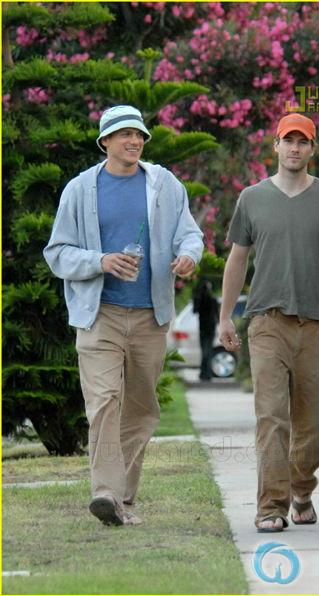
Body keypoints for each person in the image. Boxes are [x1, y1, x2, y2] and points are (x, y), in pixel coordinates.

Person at [44, 105, 203, 526]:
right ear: (106, 142)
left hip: (150, 317)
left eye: (140, 135)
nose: (135, 141)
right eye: (125, 134)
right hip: (100, 316)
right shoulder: (80, 190)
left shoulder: (164, 184)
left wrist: (189, 255)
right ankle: (106, 492)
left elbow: (189, 233)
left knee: (140, 409)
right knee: (103, 402)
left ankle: (123, 499)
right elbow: (57, 253)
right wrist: (101, 261)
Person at [219, 113, 319, 533]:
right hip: (267, 323)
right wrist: (225, 316)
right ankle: (271, 507)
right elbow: (237, 259)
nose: (295, 148)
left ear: (312, 149)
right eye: (289, 141)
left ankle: (302, 490)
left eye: (303, 142)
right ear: (276, 146)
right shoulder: (251, 199)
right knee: (271, 417)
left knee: (313, 425)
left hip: (315, 325)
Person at [193, 280, 219, 380]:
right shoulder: (213, 299)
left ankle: (204, 372)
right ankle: (207, 373)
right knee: (208, 350)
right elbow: (217, 315)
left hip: (203, 327)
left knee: (204, 350)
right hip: (210, 327)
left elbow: (194, 311)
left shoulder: (199, 300)